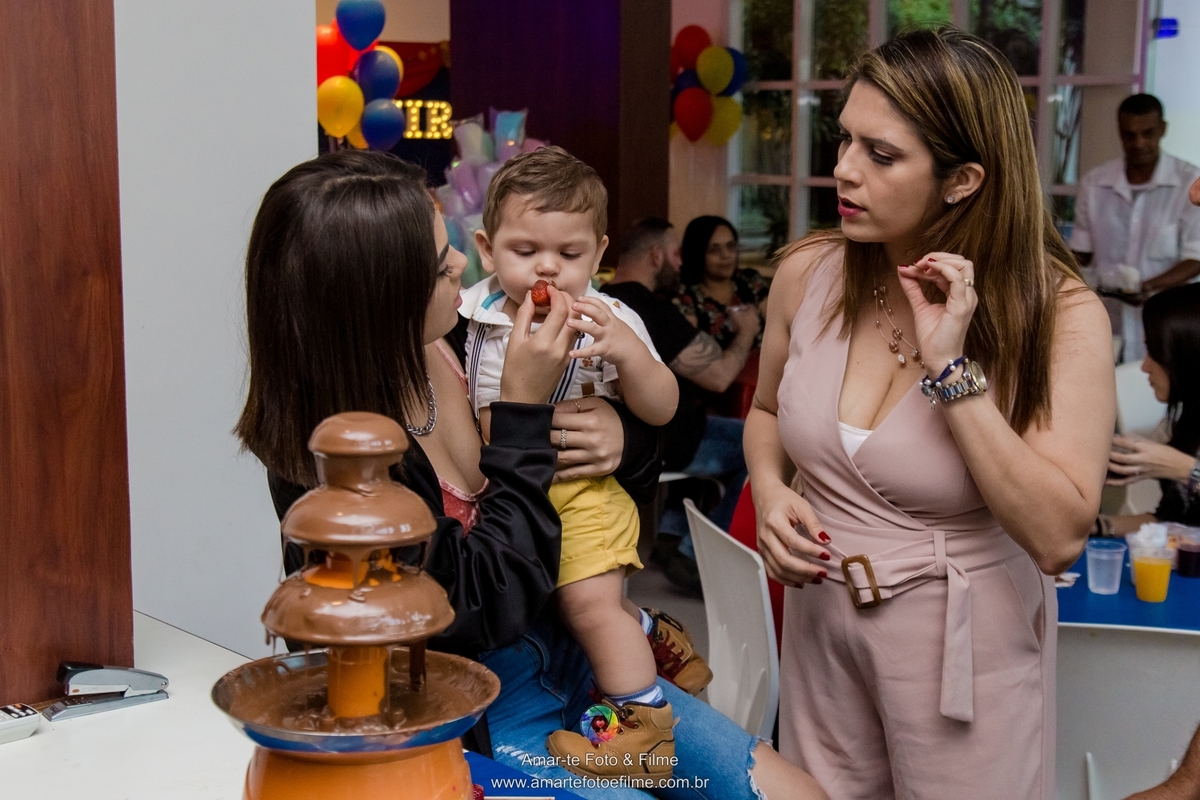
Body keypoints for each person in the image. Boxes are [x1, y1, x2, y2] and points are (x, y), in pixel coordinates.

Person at [235, 150, 827, 800]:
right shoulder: (336, 467)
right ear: (377, 298)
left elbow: (650, 436)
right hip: (486, 709)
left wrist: (620, 437)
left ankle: (636, 721)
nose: (462, 264)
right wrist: (519, 412)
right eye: (439, 264)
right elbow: (480, 607)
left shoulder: (454, 338)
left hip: (581, 661)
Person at [746, 28, 1114, 798]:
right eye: (844, 139)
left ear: (963, 178)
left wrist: (952, 370)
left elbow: (1057, 537)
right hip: (822, 628)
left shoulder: (1059, 315)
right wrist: (773, 491)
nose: (842, 170)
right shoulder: (808, 273)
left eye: (881, 155)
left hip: (962, 647)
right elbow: (766, 411)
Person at [460, 146, 694, 778]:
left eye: (569, 255)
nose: (549, 269)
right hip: (516, 495)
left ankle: (639, 734)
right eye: (525, 250)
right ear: (486, 249)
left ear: (598, 253)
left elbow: (665, 408)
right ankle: (651, 636)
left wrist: (629, 357)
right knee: (586, 615)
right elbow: (474, 423)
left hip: (586, 493)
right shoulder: (472, 318)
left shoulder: (614, 316)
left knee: (586, 610)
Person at [604, 217, 759, 592]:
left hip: (640, 434)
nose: (680, 263)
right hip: (666, 439)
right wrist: (748, 332)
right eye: (675, 254)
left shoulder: (604, 299)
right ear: (657, 256)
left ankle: (673, 534)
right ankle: (692, 555)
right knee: (763, 444)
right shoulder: (649, 309)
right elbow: (720, 376)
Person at [1070, 93, 1200, 363]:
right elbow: (1081, 253)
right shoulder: (1094, 184)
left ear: (1162, 129)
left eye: (1148, 133)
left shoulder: (1189, 184)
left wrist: (1148, 286)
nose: (1139, 143)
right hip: (1106, 320)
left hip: (1163, 325)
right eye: (1130, 135)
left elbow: (1196, 258)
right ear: (1119, 132)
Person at [674, 215, 769, 351]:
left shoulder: (750, 280)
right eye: (714, 250)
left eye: (731, 247)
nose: (726, 255)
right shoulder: (686, 297)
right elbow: (698, 357)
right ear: (697, 253)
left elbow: (778, 326)